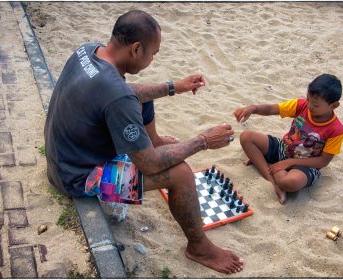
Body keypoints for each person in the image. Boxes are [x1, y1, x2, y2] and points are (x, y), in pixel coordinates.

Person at [44, 10, 244, 274]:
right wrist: (204, 140)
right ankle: (199, 247)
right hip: (79, 179)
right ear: (136, 49)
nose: (152, 59)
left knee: (143, 99)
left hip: (63, 157)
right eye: (153, 53)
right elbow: (148, 165)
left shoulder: (90, 51)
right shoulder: (117, 95)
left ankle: (155, 142)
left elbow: (127, 93)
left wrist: (173, 87)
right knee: (181, 174)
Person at [234, 74, 343, 204]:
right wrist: (253, 108)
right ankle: (272, 179)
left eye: (315, 105)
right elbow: (272, 109)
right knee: (246, 137)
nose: (309, 106)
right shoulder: (301, 105)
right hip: (284, 148)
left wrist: (290, 162)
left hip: (305, 165)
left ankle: (265, 164)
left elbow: (323, 161)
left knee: (290, 182)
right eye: (308, 100)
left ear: (334, 105)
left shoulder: (336, 129)